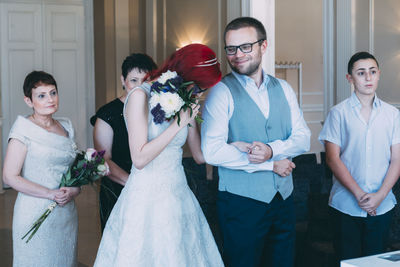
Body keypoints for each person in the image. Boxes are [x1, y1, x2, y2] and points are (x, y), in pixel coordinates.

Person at [93, 43, 224, 266]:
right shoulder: (139, 96)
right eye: (200, 87)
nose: (200, 93)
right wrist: (178, 123)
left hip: (179, 195)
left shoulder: (185, 98)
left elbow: (200, 155)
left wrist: (239, 146)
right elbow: (140, 158)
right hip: (146, 198)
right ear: (187, 75)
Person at [201, 17, 311, 267]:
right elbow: (212, 151)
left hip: (283, 199)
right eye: (231, 48)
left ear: (263, 46)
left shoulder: (284, 88)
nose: (237, 55)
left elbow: (303, 137)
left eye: (245, 47)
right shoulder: (221, 92)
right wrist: (268, 164)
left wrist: (272, 150)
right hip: (241, 204)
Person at [319, 51, 400, 262]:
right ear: (350, 78)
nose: (368, 78)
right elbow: (332, 159)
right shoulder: (338, 113)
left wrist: (380, 196)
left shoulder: (392, 115)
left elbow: (397, 159)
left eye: (372, 72)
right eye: (361, 73)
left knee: (377, 262)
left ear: (379, 74)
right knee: (348, 262)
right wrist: (360, 196)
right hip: (346, 205)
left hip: (383, 205)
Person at [3, 71, 80, 267]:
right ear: (28, 101)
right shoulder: (23, 130)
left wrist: (74, 190)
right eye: (42, 95)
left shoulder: (67, 127)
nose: (50, 99)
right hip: (34, 212)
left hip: (65, 213)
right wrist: (49, 193)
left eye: (53, 93)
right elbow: (9, 176)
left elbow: (74, 172)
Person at [90, 53, 157, 231]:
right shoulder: (108, 114)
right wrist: (134, 185)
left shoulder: (159, 109)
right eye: (134, 80)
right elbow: (104, 160)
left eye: (146, 80)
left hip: (154, 185)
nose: (139, 87)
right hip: (120, 187)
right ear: (123, 80)